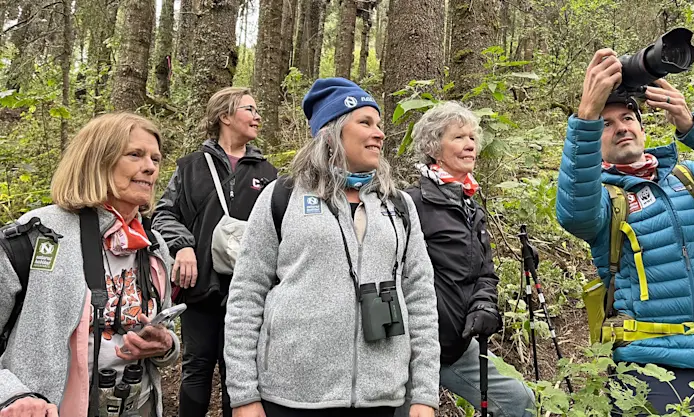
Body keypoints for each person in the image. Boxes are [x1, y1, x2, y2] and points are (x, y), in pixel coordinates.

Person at [556, 49, 694, 415]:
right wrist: (585, 117)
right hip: (649, 367)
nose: (622, 127)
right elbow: (574, 215)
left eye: (628, 117)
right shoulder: (602, 197)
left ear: (643, 127)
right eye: (606, 124)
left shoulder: (689, 178)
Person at [224, 78, 440, 417]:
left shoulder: (398, 205)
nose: (379, 133)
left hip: (379, 399)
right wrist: (243, 395)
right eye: (365, 123)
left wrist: (425, 395)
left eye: (379, 124)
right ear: (332, 131)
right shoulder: (283, 197)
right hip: (290, 397)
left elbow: (421, 299)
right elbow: (246, 294)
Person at [0, 112, 179, 417]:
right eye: (135, 154)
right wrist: (12, 394)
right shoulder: (37, 235)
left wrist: (165, 345)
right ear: (97, 160)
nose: (150, 167)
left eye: (155, 158)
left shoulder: (151, 243)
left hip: (139, 404)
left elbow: (166, 331)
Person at [397, 101, 536, 417]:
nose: (470, 144)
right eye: (459, 137)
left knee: (520, 401)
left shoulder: (471, 207)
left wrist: (484, 303)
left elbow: (486, 271)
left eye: (472, 137)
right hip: (411, 351)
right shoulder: (410, 203)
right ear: (434, 147)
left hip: (455, 347)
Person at [152, 87, 278, 417]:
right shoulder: (192, 166)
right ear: (225, 116)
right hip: (201, 285)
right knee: (198, 369)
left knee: (239, 377)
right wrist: (184, 247)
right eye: (249, 109)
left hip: (251, 293)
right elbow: (164, 213)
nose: (257, 116)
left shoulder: (268, 174)